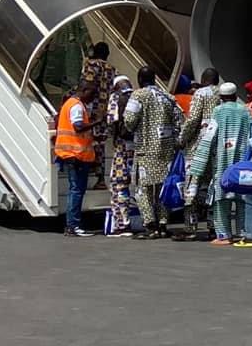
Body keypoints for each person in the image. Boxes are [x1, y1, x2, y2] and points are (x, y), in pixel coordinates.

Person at [188, 80, 252, 245]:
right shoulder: (245, 111)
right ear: (234, 95)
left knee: (220, 199)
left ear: (221, 97)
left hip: (222, 161)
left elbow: (210, 136)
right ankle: (242, 232)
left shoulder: (217, 111)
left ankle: (224, 235)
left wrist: (198, 163)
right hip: (242, 162)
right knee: (242, 199)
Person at [120, 65, 181, 238]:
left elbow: (130, 121)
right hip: (166, 151)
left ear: (139, 80)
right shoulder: (168, 97)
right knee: (163, 188)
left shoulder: (138, 96)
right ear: (154, 79)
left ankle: (150, 225)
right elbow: (179, 121)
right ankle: (163, 224)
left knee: (143, 189)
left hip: (145, 150)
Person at [175, 65, 221, 240]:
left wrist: (181, 139)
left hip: (198, 148)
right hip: (216, 149)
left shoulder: (201, 94)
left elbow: (193, 119)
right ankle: (213, 227)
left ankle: (190, 227)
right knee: (211, 187)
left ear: (203, 80)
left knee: (192, 186)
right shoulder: (223, 94)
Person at [52, 78, 98, 237]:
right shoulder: (77, 106)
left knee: (76, 189)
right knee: (76, 190)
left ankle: (72, 224)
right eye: (91, 94)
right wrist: (96, 122)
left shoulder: (70, 104)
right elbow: (78, 127)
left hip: (71, 153)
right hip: (75, 155)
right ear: (84, 91)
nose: (93, 97)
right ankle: (73, 225)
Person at [102, 73, 137, 236]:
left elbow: (112, 121)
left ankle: (122, 224)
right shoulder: (139, 96)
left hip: (122, 147)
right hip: (139, 148)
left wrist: (112, 136)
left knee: (118, 184)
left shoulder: (116, 97)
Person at [80, 40, 114, 172]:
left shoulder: (91, 65)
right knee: (100, 143)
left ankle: (87, 168)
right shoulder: (112, 69)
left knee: (87, 139)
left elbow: (86, 85)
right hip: (104, 111)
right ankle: (100, 177)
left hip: (90, 109)